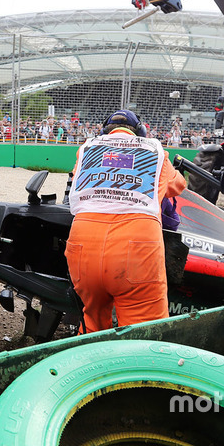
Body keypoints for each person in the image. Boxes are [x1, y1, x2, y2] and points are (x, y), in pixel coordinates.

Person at [64, 109, 186, 333]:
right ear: (140, 132)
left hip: (82, 245)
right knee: (144, 332)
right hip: (137, 248)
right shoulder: (155, 151)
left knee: (91, 323)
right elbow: (177, 186)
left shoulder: (86, 149)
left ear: (104, 131)